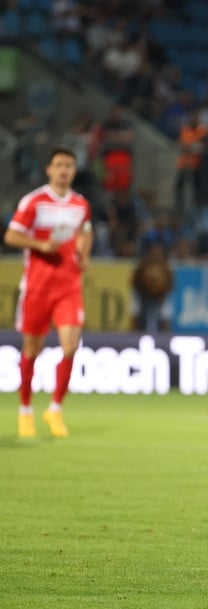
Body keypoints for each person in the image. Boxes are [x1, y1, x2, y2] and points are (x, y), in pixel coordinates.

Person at [4, 148, 93, 439]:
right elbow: (11, 235)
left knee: (70, 346)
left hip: (68, 286)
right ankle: (26, 410)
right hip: (38, 287)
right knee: (32, 350)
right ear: (49, 170)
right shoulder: (34, 201)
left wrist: (84, 253)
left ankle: (54, 409)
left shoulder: (81, 204)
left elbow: (85, 231)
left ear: (74, 170)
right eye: (59, 165)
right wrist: (40, 246)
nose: (64, 170)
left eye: (69, 165)